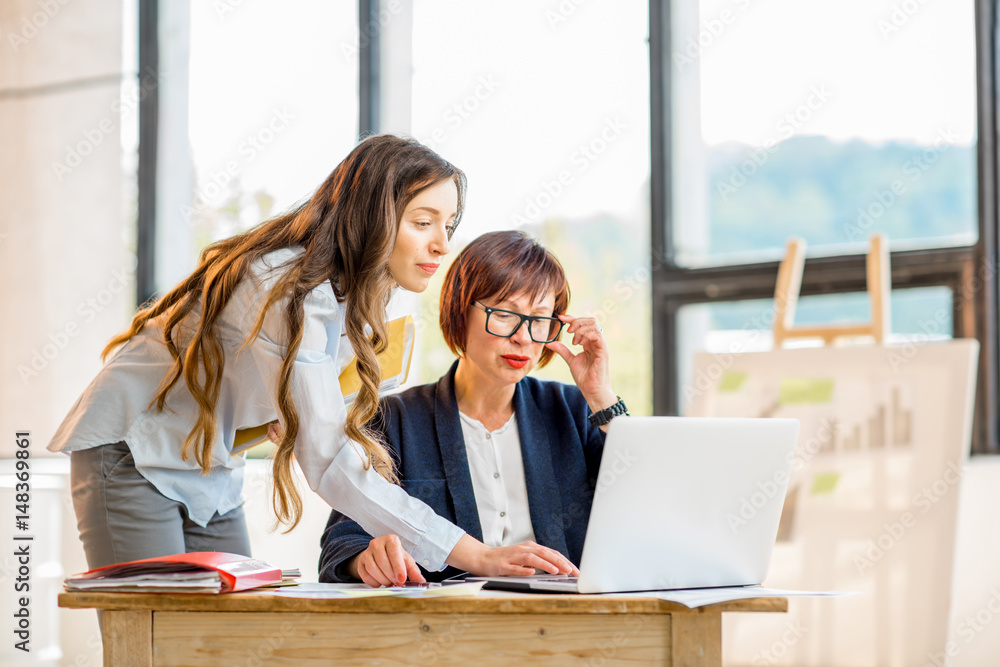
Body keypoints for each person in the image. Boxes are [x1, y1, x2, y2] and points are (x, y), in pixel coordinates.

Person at [49, 135, 575, 583]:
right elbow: (325, 458)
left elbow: (317, 419)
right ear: (374, 216)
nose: (441, 244)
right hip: (132, 450)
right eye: (423, 221)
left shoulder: (365, 296)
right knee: (155, 636)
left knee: (227, 644)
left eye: (448, 223)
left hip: (210, 460)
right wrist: (476, 554)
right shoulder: (287, 287)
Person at [319, 230, 629, 586]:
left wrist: (600, 394)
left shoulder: (573, 409)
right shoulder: (397, 419)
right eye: (505, 314)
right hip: (450, 626)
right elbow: (340, 544)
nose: (523, 338)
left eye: (540, 319)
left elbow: (648, 496)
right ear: (459, 311)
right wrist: (365, 559)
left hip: (562, 621)